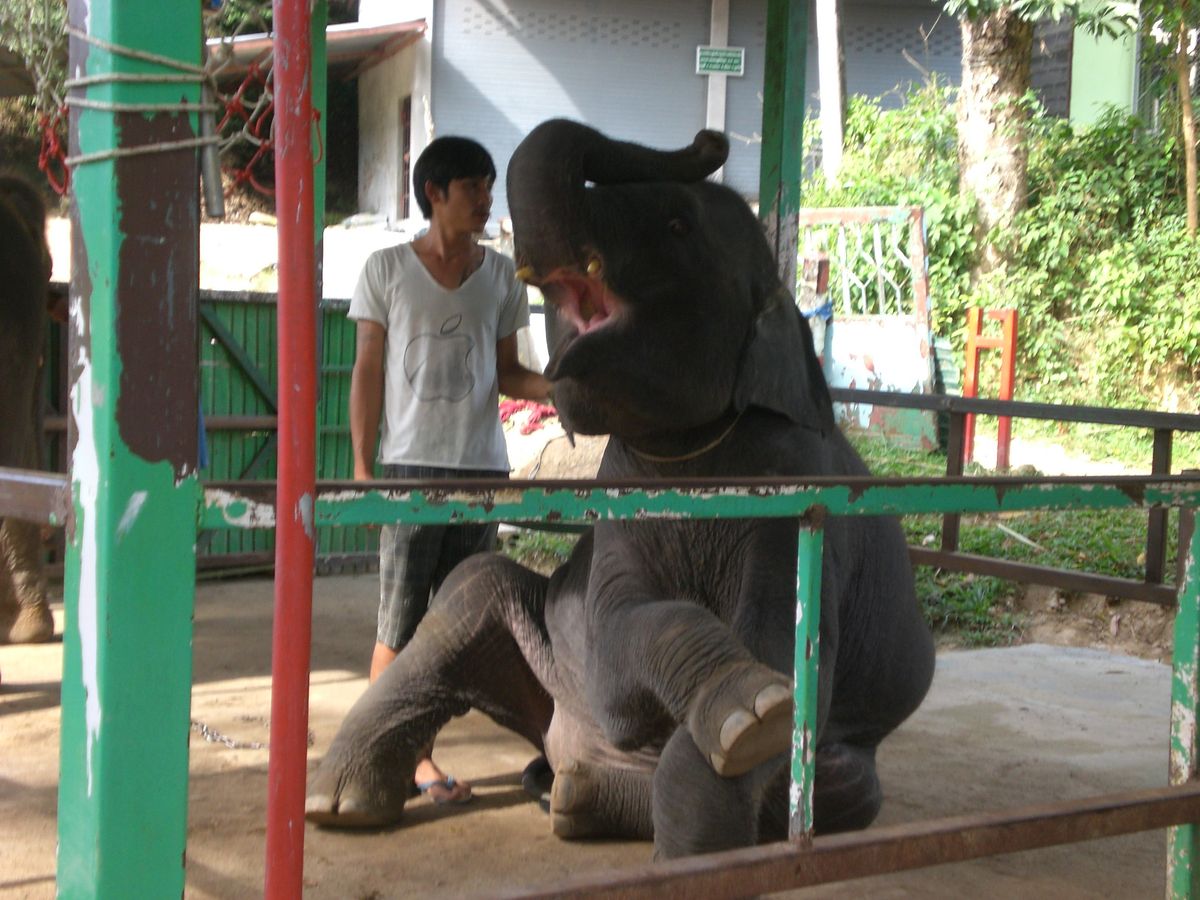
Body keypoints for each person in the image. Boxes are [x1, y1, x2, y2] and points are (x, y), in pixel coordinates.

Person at [348, 136, 551, 806]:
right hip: (410, 469)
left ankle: (413, 755)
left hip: (483, 471)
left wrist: (566, 388)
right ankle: (394, 758)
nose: (486, 199)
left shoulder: (501, 277)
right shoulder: (385, 269)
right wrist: (362, 467)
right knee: (400, 622)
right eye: (473, 187)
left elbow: (510, 372)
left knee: (466, 626)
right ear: (435, 193)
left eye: (489, 186)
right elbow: (367, 371)